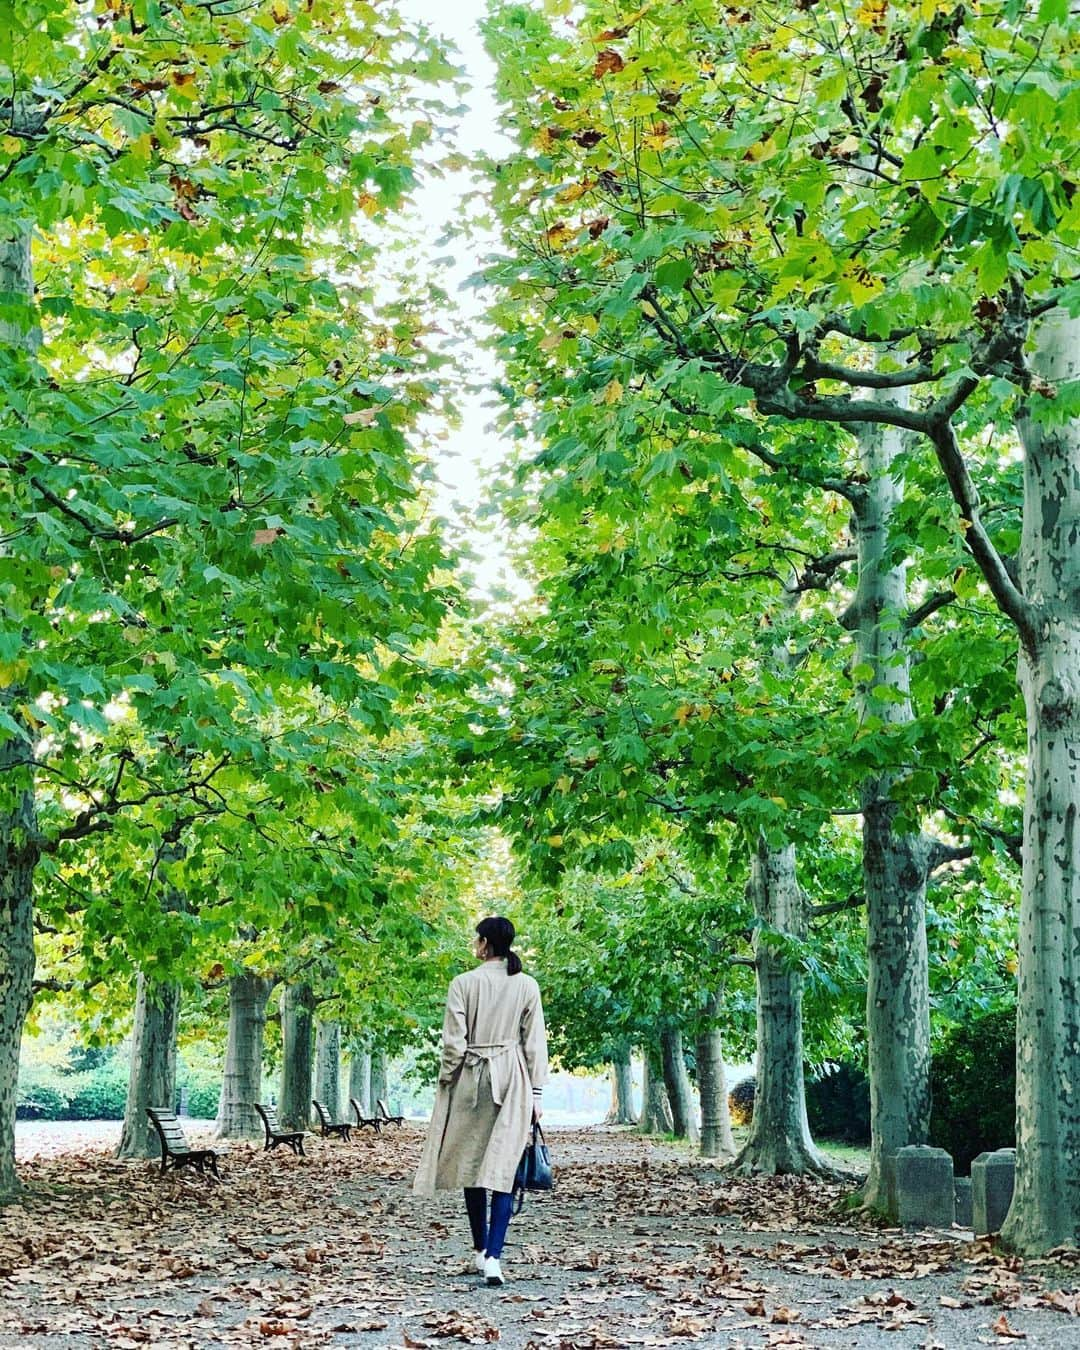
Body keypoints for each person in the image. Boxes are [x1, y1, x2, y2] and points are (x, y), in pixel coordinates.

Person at [413, 916, 548, 1287]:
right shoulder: (526, 985)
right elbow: (534, 1042)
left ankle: (479, 1250)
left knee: (473, 1167)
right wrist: (536, 1093)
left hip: (472, 1079)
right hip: (513, 1081)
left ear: (485, 943)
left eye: (476, 938)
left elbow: (453, 1044)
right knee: (504, 1171)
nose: (474, 943)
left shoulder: (463, 984)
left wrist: (447, 1080)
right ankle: (493, 1257)